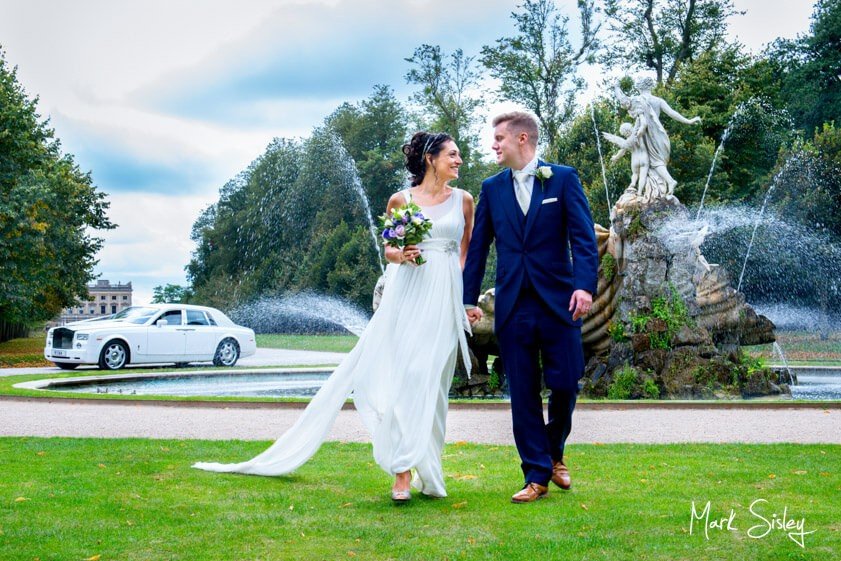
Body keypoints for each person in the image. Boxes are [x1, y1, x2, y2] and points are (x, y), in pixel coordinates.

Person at [193, 131, 475, 503]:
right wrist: (401, 255)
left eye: (459, 156)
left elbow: (465, 251)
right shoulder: (401, 201)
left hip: (443, 301)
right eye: (452, 155)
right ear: (430, 158)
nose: (459, 160)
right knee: (409, 376)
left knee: (434, 384)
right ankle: (402, 471)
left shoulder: (465, 200)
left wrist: (459, 293)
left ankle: (430, 469)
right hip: (409, 293)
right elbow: (389, 248)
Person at [462, 112, 598, 503]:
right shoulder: (492, 188)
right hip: (512, 304)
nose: (494, 145)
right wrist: (468, 299)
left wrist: (584, 287)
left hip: (559, 302)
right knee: (521, 392)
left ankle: (555, 451)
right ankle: (535, 475)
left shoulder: (564, 179)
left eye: (500, 138)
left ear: (523, 139)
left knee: (566, 382)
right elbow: (478, 249)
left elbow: (584, 239)